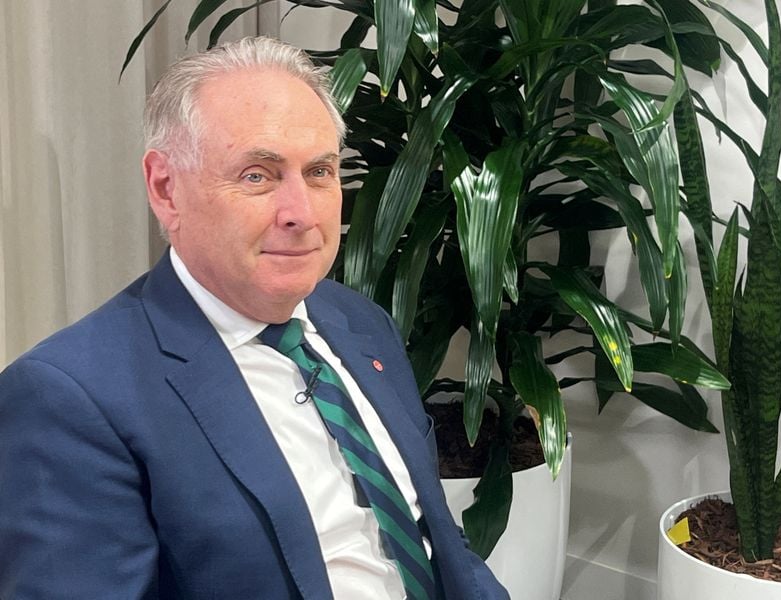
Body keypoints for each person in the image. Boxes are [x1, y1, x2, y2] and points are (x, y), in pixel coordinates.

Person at [0, 37, 508, 600]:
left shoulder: (359, 321)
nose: (302, 213)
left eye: (319, 172)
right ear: (166, 189)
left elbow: (436, 537)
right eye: (257, 176)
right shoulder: (69, 398)